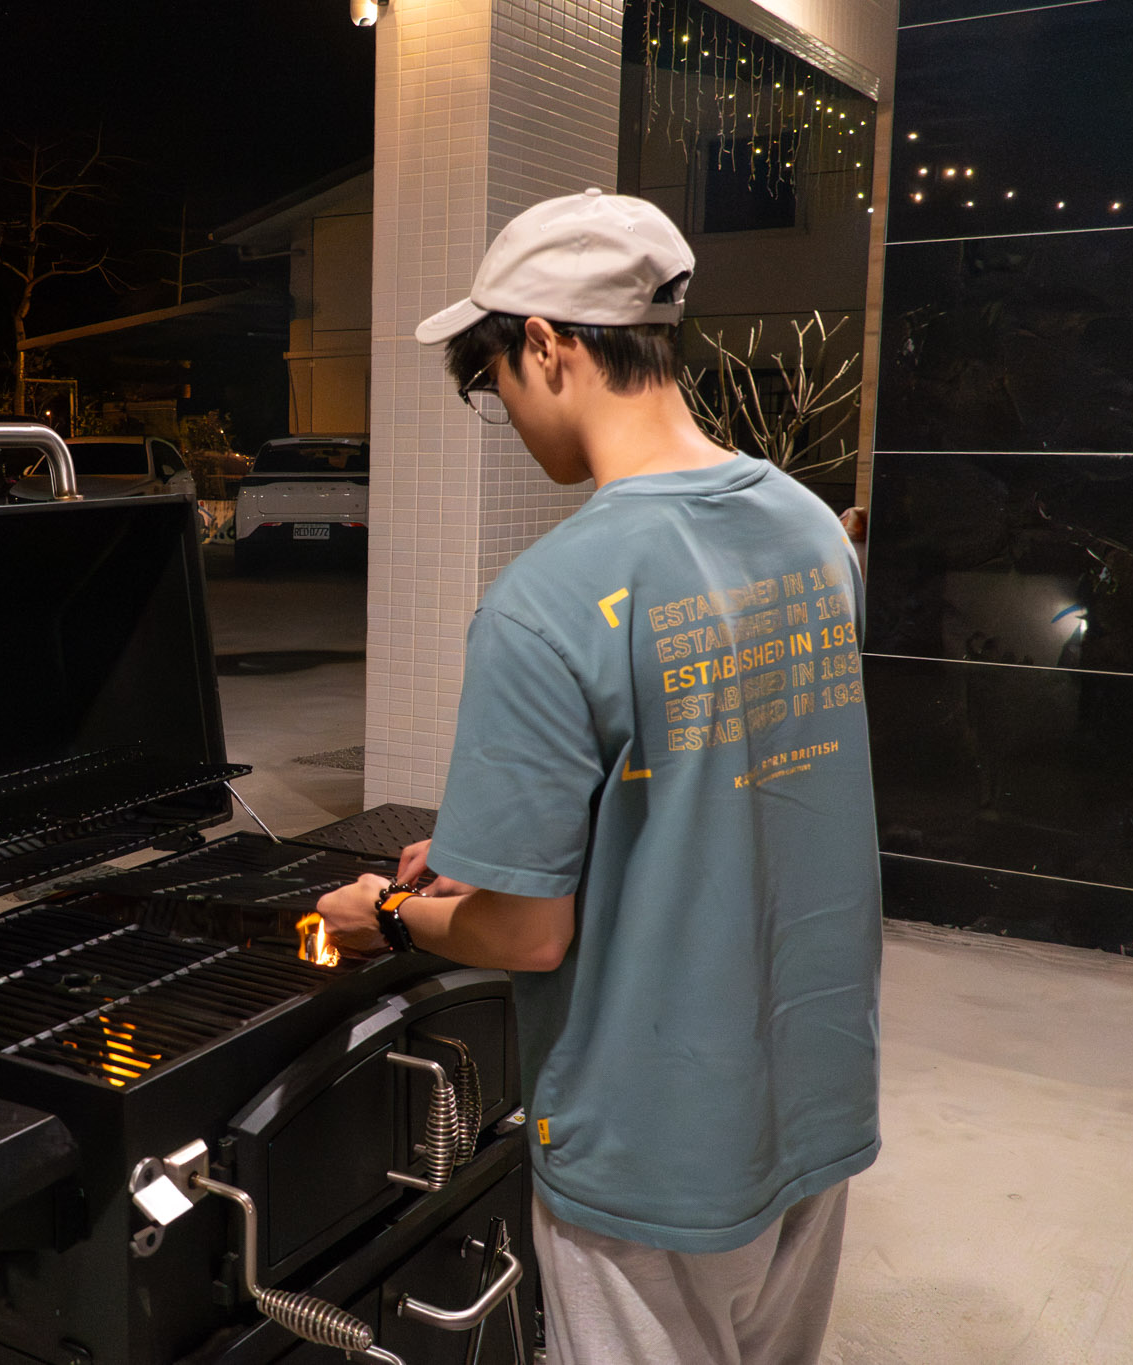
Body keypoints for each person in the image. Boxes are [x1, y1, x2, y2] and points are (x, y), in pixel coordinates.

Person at [314, 189, 880, 1365]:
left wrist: (385, 917)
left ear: (544, 344)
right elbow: (727, 771)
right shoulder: (811, 532)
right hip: (811, 1090)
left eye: (493, 383)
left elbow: (524, 936)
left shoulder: (545, 599)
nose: (507, 416)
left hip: (646, 1137)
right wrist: (500, 842)